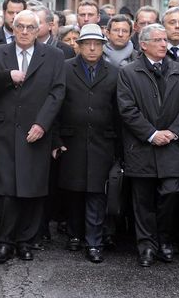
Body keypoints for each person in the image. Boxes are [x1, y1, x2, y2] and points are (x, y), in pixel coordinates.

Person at [0, 10, 65, 264]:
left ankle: (26, 241)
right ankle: (5, 242)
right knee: (6, 190)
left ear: (40, 29)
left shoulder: (53, 55)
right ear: (13, 28)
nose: (25, 32)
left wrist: (42, 124)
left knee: (33, 189)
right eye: (20, 26)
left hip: (36, 131)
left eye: (31, 27)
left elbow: (57, 92)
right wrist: (7, 77)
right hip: (5, 132)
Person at [117, 23, 179, 267]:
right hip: (141, 148)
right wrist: (151, 134)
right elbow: (127, 109)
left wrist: (173, 133)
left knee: (170, 193)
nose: (164, 44)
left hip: (171, 147)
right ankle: (146, 246)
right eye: (158, 40)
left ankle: (164, 240)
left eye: (165, 40)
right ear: (144, 44)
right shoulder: (129, 72)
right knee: (142, 201)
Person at [53, 24, 120, 263]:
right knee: (74, 190)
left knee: (96, 192)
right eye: (87, 44)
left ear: (103, 46)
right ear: (78, 46)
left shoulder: (114, 72)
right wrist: (56, 138)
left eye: (97, 44)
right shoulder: (64, 69)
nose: (92, 48)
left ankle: (94, 242)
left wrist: (118, 147)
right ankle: (74, 233)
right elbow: (55, 106)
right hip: (71, 140)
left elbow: (118, 112)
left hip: (103, 142)